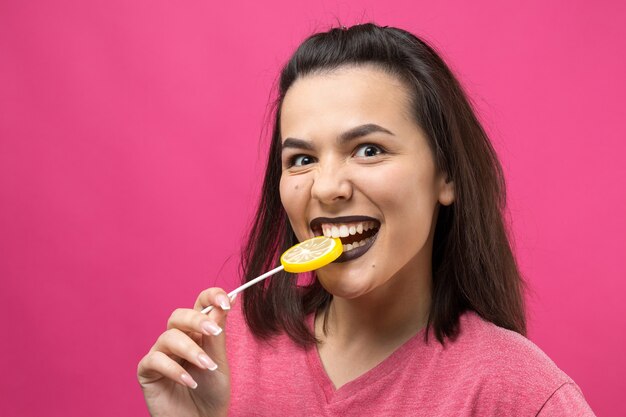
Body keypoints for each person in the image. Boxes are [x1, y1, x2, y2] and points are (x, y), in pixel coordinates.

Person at [137, 23, 595, 416]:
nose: (325, 187)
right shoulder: (219, 357)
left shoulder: (520, 394)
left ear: (447, 175)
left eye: (369, 150)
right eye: (300, 159)